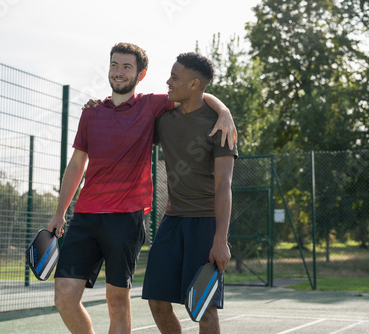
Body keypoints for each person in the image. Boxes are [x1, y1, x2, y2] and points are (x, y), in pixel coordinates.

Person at [47, 43, 236, 334]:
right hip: (124, 218)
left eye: (127, 66)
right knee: (76, 299)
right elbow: (83, 159)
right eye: (114, 65)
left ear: (140, 73)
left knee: (188, 309)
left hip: (160, 220)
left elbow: (224, 183)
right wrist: (60, 211)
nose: (119, 72)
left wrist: (224, 111)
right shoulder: (112, 115)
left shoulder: (175, 114)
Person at [142, 52, 237, 334]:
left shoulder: (219, 125)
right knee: (157, 301)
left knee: (203, 309)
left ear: (194, 84)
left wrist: (220, 239)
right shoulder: (164, 120)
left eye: (175, 77)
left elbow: (224, 186)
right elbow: (131, 117)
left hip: (205, 223)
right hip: (172, 222)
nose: (168, 82)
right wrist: (103, 105)